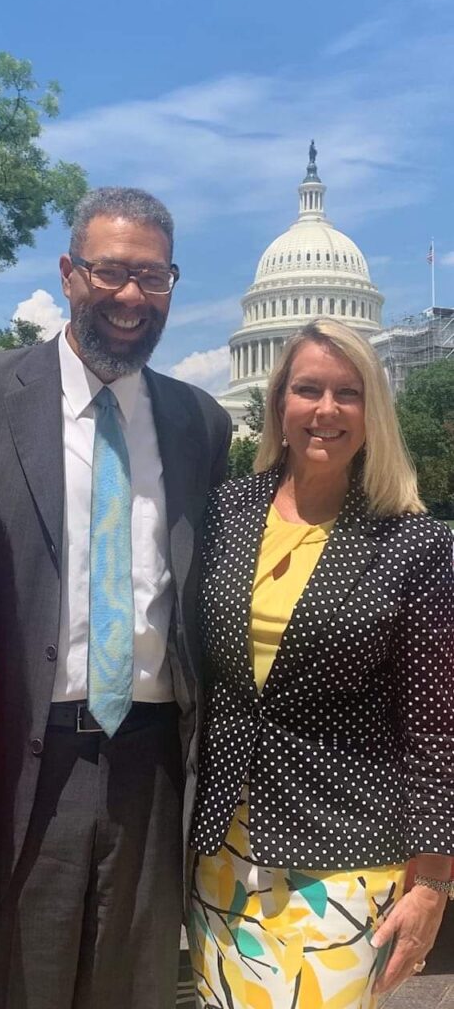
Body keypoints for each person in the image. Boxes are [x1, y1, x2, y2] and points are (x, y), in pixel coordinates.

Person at [0, 186, 232, 1009]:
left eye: (152, 277)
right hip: (23, 758)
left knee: (135, 987)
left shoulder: (200, 423)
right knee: (17, 984)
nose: (130, 297)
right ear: (70, 274)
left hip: (152, 760)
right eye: (111, 272)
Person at [188, 317, 454, 1009]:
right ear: (279, 402)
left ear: (374, 410)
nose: (327, 410)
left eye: (349, 392)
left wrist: (433, 883)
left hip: (344, 850)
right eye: (308, 389)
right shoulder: (226, 512)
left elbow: (435, 727)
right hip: (224, 846)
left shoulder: (414, 544)